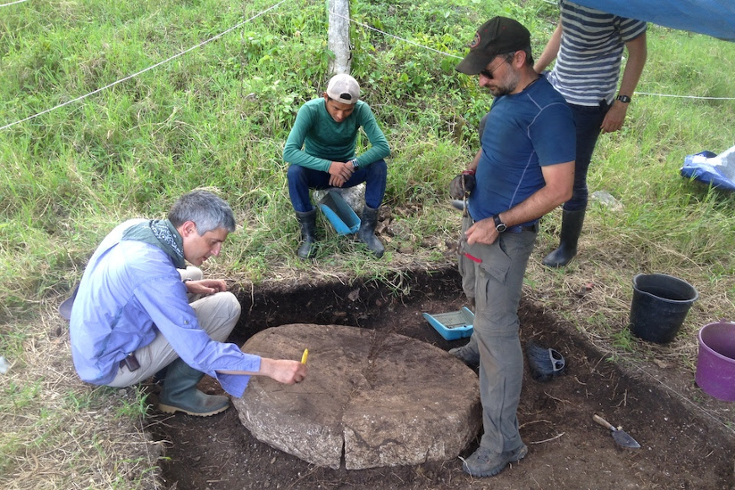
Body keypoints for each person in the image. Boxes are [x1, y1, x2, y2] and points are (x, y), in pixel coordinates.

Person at [450, 16, 576, 477]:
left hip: (505, 236)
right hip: (479, 220)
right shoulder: (509, 94)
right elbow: (497, 141)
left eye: (487, 71)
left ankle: (504, 443)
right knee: (473, 293)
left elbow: (560, 189)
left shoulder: (550, 113)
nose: (481, 80)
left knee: (499, 335)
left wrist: (499, 222)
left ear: (518, 59)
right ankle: (477, 341)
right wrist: (473, 169)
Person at [69, 190, 307, 417]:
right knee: (226, 308)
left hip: (98, 338)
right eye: (213, 242)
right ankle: (176, 394)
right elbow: (200, 352)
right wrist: (272, 367)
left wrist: (184, 286)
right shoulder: (152, 272)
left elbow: (141, 285)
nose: (217, 252)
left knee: (192, 274)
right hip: (110, 365)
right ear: (189, 228)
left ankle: (165, 370)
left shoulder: (137, 228)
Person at [534, 0, 647, 267]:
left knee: (573, 174)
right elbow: (563, 30)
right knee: (534, 158)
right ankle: (526, 219)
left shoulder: (623, 6)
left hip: (588, 101)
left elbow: (638, 54)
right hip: (556, 89)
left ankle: (567, 247)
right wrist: (535, 72)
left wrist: (621, 104)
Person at [283, 73, 390, 259]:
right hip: (317, 172)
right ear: (325, 97)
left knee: (378, 166)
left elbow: (382, 147)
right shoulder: (310, 110)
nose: (341, 115)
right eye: (336, 108)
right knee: (295, 171)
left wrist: (352, 165)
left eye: (348, 110)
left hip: (348, 172)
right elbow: (290, 152)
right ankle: (309, 236)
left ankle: (366, 231)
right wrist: (328, 166)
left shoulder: (361, 110)